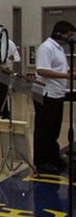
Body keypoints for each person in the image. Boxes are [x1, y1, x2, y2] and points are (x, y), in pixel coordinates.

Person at [33, 20, 75, 174]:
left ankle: (53, 156)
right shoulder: (47, 47)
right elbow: (42, 70)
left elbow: (63, 69)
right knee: (44, 128)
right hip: (46, 93)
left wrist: (69, 73)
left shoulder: (59, 49)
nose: (70, 39)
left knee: (54, 129)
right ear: (61, 34)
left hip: (57, 93)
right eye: (69, 35)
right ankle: (42, 160)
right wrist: (67, 75)